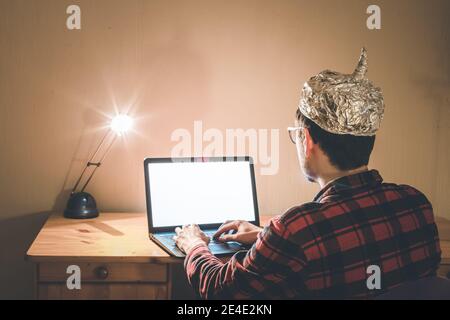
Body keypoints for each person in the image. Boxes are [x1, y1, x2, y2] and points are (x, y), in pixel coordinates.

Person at [173, 48, 442, 299]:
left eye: (296, 135)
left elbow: (221, 290)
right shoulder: (415, 204)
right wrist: (264, 236)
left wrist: (195, 244)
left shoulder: (296, 228)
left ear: (307, 140)